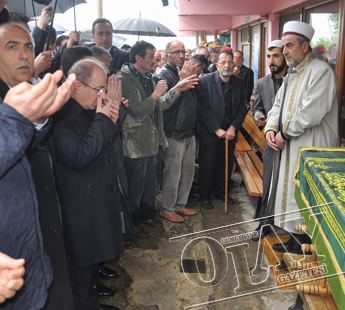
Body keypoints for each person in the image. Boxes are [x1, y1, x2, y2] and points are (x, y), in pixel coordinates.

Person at [0, 23, 75, 310]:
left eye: (28, 46)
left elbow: (23, 142)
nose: (23, 55)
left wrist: (39, 118)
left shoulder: (28, 90)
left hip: (30, 248)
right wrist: (18, 119)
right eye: (12, 47)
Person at [265, 21, 338, 270]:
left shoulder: (321, 71)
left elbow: (311, 113)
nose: (284, 51)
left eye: (289, 46)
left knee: (306, 198)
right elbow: (276, 106)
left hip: (311, 146)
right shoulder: (292, 74)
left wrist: (283, 134)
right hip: (289, 143)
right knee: (291, 194)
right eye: (282, 46)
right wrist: (271, 130)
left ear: (305, 46)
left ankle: (304, 258)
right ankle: (295, 242)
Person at [52, 59, 123, 310]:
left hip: (94, 200)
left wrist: (109, 113)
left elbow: (105, 138)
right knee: (80, 275)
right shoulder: (60, 115)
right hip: (78, 209)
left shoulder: (87, 109)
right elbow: (79, 156)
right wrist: (104, 118)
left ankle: (93, 304)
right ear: (77, 85)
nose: (102, 94)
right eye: (99, 89)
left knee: (92, 268)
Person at [118, 40, 199, 229]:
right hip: (136, 143)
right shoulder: (124, 78)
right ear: (138, 58)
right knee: (135, 187)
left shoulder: (148, 77)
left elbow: (159, 106)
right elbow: (137, 111)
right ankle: (132, 225)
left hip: (153, 139)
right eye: (151, 57)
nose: (155, 61)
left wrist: (177, 89)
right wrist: (156, 94)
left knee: (151, 186)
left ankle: (145, 216)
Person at [154, 40, 213, 221]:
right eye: (176, 52)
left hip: (190, 131)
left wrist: (194, 77)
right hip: (172, 132)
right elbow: (162, 106)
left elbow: (202, 99)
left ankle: (180, 205)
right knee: (173, 173)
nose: (181, 56)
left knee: (188, 172)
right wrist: (181, 82)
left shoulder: (190, 72)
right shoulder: (161, 76)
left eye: (183, 52)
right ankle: (167, 208)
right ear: (167, 56)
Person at [198, 50, 246, 209]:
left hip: (230, 133)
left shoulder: (239, 82)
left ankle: (221, 192)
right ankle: (204, 196)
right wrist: (216, 129)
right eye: (223, 62)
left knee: (225, 165)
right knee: (207, 165)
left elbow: (242, 108)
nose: (227, 65)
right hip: (210, 132)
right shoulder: (205, 81)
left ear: (234, 64)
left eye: (230, 62)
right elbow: (203, 108)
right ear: (217, 65)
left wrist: (233, 127)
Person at [251, 40, 288, 242]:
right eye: (268, 56)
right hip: (271, 140)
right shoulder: (262, 83)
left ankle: (291, 225)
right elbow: (258, 107)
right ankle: (265, 221)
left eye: (276, 56)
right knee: (269, 181)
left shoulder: (295, 79)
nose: (271, 61)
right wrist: (258, 117)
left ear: (285, 56)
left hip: (293, 141)